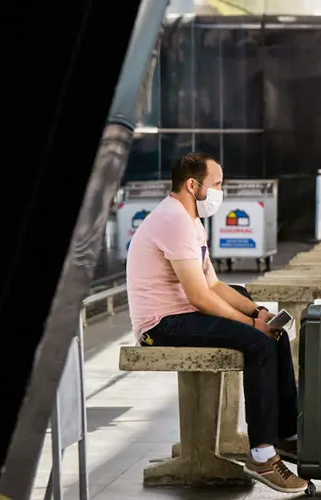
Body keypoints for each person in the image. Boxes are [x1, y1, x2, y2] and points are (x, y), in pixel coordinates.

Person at [126, 152, 307, 495]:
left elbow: (215, 285)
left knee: (274, 332)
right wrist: (252, 327)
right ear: (193, 185)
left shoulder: (190, 220)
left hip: (182, 313)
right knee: (259, 344)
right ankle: (262, 455)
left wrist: (257, 313)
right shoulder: (174, 221)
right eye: (218, 184)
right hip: (161, 325)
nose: (222, 191)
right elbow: (200, 297)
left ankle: (285, 436)